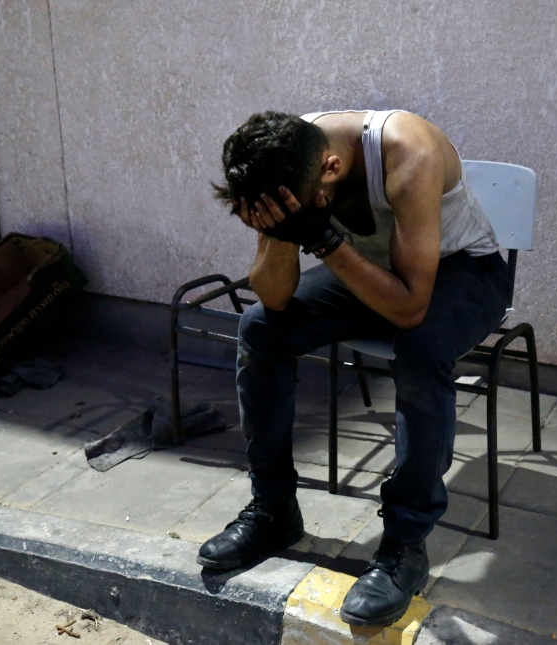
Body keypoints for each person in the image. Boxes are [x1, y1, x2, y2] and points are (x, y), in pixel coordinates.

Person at [197, 109, 510, 627]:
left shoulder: (409, 153)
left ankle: (405, 546)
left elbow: (410, 307)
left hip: (462, 271)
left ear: (332, 167)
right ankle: (273, 509)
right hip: (369, 267)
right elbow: (274, 298)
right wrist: (282, 233)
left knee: (421, 348)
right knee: (260, 329)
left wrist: (321, 239)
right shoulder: (283, 163)